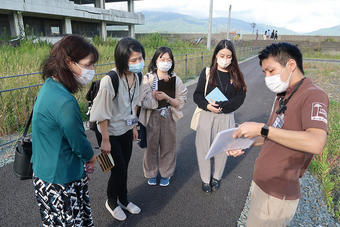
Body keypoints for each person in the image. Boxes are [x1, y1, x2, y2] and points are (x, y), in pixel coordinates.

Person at [226, 42, 329, 226]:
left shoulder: (313, 95)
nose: (267, 77)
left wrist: (262, 128)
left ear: (291, 65)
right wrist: (244, 143)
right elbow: (271, 135)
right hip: (262, 185)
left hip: (277, 194)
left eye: (271, 71)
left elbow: (316, 142)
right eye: (264, 72)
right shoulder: (283, 96)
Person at [31, 35, 98, 226]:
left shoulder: (49, 86)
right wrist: (91, 157)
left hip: (44, 174)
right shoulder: (65, 102)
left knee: (53, 221)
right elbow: (78, 142)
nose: (91, 70)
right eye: (88, 65)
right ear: (69, 62)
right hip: (63, 179)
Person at [90, 37, 144, 221]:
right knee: (117, 169)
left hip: (126, 129)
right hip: (108, 132)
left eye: (140, 58)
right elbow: (102, 114)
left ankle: (124, 199)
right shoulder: (110, 80)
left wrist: (135, 126)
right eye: (134, 60)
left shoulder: (137, 76)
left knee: (124, 167)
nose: (139, 63)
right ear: (122, 60)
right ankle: (111, 201)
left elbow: (135, 103)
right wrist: (104, 140)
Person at [193, 40, 247, 193]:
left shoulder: (236, 75)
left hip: (226, 116)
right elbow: (197, 95)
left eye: (228, 56)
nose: (225, 58)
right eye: (222, 55)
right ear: (216, 55)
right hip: (207, 115)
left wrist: (224, 107)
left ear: (232, 57)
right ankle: (205, 179)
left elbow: (240, 97)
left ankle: (216, 177)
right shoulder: (207, 72)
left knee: (224, 147)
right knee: (203, 148)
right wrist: (207, 105)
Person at [139, 47, 188, 186]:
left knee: (168, 146)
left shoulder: (176, 79)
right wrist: (153, 96)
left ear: (172, 62)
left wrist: (167, 98)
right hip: (151, 116)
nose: (165, 62)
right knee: (151, 147)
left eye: (168, 59)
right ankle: (151, 172)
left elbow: (181, 100)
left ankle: (166, 173)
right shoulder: (147, 79)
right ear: (155, 60)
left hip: (168, 115)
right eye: (162, 59)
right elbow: (142, 100)